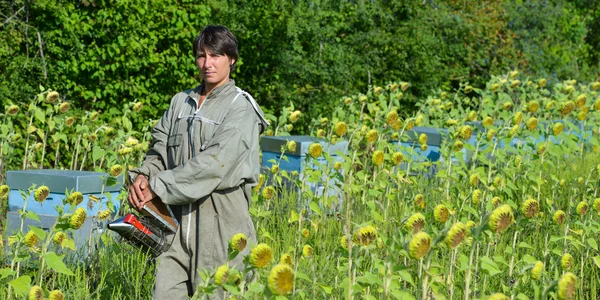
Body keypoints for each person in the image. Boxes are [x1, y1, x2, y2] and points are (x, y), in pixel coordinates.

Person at [127, 25, 269, 299]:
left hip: (220, 226)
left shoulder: (241, 108)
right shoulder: (181, 103)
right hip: (175, 227)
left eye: (216, 56)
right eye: (201, 56)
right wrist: (144, 176)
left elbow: (213, 165)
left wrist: (157, 185)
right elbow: (159, 150)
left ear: (232, 59)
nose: (208, 64)